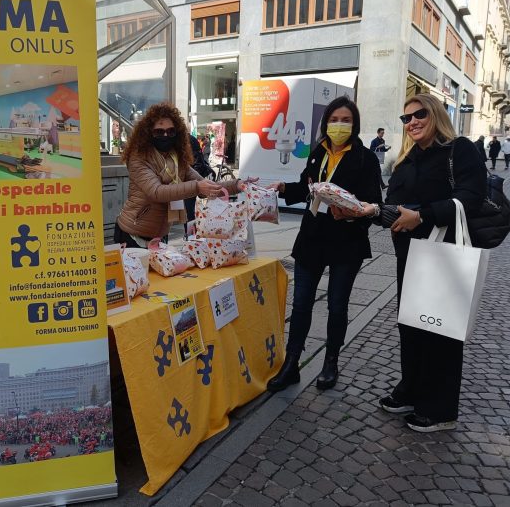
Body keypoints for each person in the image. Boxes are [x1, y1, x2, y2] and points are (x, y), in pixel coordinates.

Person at [357, 94, 485, 432]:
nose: (412, 121)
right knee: (411, 326)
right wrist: (367, 212)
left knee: (440, 331)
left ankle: (440, 409)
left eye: (419, 114)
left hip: (443, 254)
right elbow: (395, 208)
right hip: (410, 256)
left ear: (436, 114)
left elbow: (472, 197)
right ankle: (411, 390)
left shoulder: (460, 150)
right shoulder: (406, 158)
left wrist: (423, 215)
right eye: (406, 118)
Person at [266, 96, 382, 392]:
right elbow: (308, 186)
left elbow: (374, 202)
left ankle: (331, 362)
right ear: (326, 122)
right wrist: (282, 188)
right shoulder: (318, 152)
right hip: (312, 239)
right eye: (335, 120)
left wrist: (355, 213)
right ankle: (291, 363)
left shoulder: (365, 158)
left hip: (346, 242)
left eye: (346, 120)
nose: (339, 125)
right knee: (301, 302)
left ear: (354, 125)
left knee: (337, 305)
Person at [114, 103, 250, 248]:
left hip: (159, 236)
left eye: (170, 131)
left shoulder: (177, 159)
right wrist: (197, 187)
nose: (165, 136)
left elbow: (206, 186)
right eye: (159, 132)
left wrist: (238, 185)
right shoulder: (139, 157)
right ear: (148, 133)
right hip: (132, 235)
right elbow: (156, 192)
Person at [184, 134, 214, 235]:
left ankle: (191, 239)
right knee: (188, 213)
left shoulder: (188, 140)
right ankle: (190, 238)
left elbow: (196, 163)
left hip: (188, 184)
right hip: (186, 183)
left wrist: (194, 183)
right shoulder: (187, 139)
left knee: (188, 214)